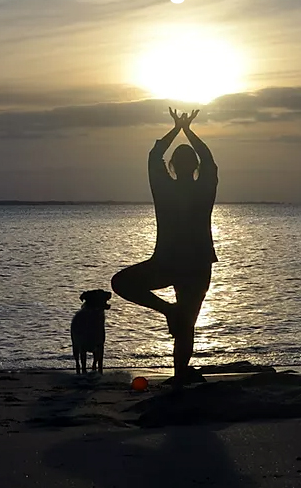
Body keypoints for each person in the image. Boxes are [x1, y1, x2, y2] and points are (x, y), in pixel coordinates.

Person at [111, 107, 218, 385]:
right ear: (194, 167)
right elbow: (208, 159)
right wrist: (188, 130)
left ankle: (180, 369)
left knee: (122, 283)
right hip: (194, 263)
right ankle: (179, 361)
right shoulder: (204, 187)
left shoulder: (165, 188)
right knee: (187, 319)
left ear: (171, 167)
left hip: (171, 262)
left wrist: (177, 128)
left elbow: (153, 156)